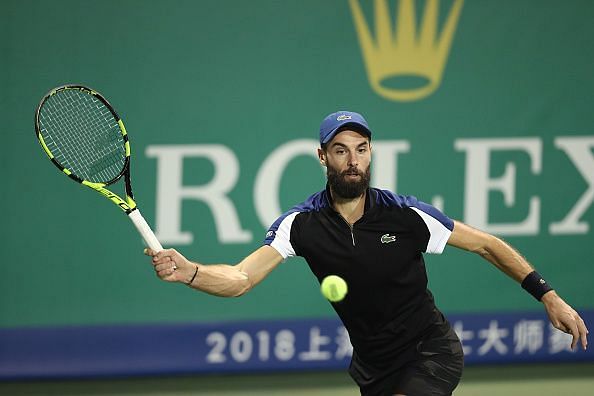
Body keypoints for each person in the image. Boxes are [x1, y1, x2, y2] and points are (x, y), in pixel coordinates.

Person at [145, 110, 589, 396]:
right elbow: (241, 279)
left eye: (360, 149)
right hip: (373, 367)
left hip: (430, 351)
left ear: (370, 152)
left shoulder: (406, 215)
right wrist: (191, 272)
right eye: (341, 151)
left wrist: (547, 294)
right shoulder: (301, 225)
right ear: (323, 156)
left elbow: (487, 245)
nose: (352, 160)